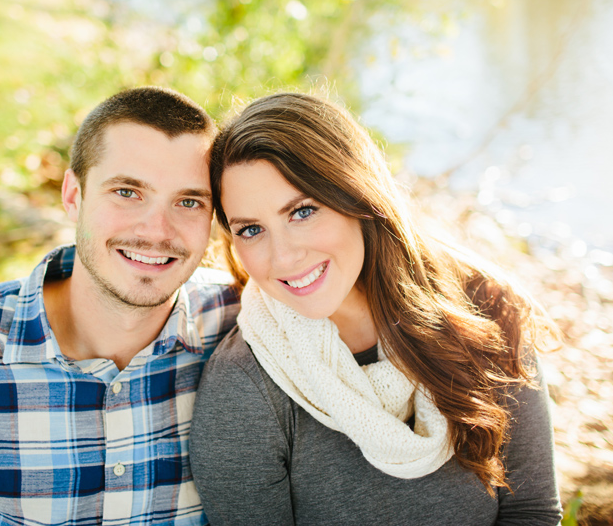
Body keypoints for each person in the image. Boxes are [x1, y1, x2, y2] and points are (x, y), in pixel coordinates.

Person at [189, 92, 562, 525]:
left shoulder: (484, 312)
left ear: (357, 195)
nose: (283, 257)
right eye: (252, 229)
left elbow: (531, 511)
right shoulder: (244, 387)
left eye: (303, 211)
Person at [0, 87, 240, 526]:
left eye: (188, 201)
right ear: (73, 195)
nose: (157, 231)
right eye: (127, 192)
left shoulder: (243, 322)